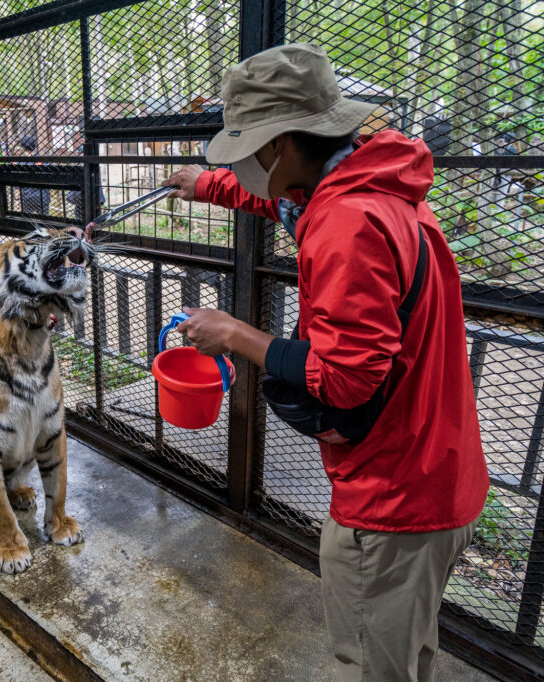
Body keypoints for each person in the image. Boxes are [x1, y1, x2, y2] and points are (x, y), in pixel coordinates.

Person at [163, 43, 489, 681]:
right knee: (407, 650)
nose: (248, 167)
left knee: (369, 662)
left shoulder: (347, 222)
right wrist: (208, 185)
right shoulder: (368, 178)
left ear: (281, 142)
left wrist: (234, 334)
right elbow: (279, 196)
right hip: (437, 463)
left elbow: (343, 379)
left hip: (394, 493)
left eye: (249, 149)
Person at [16, 136, 51, 217]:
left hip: (27, 197)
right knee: (45, 221)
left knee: (28, 221)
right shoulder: (43, 161)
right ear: (35, 146)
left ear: (22, 147)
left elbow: (17, 185)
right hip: (43, 196)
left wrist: (17, 199)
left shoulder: (20, 163)